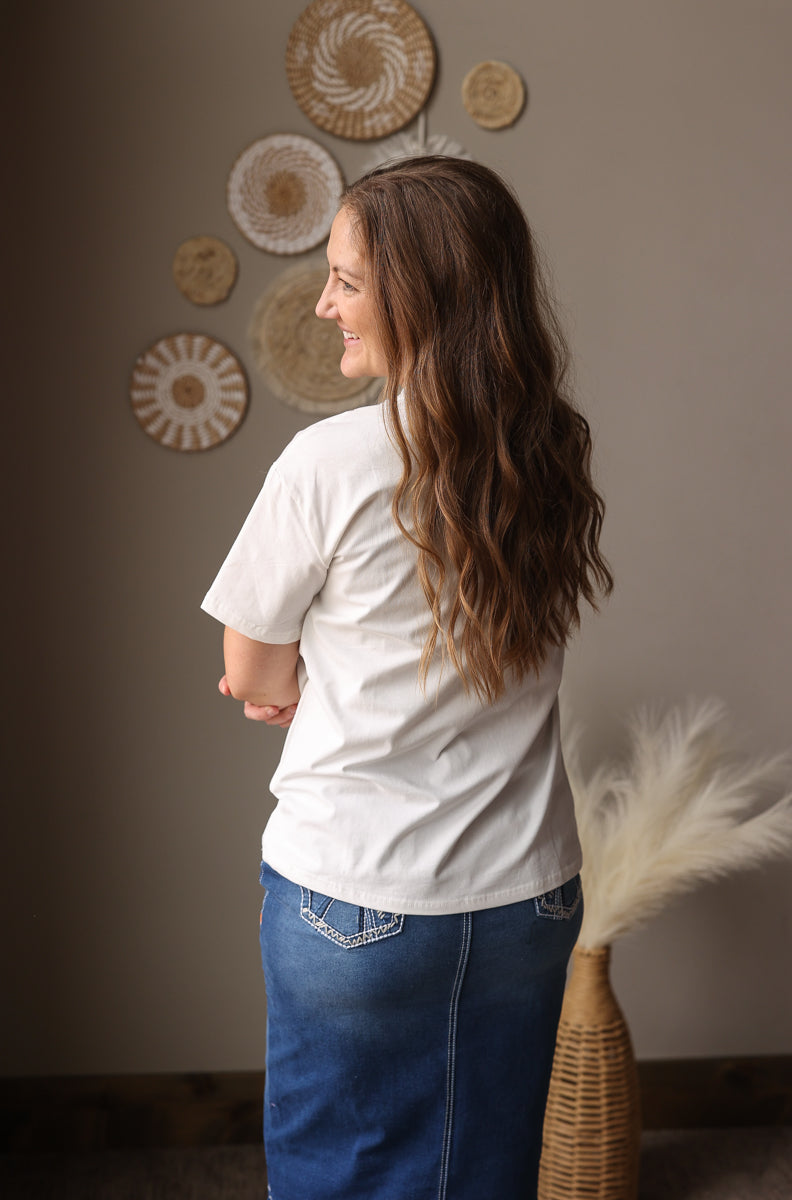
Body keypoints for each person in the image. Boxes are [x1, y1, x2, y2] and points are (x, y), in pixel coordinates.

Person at [202, 155, 612, 1200]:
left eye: (345, 280)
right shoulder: (553, 450)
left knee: (334, 1180)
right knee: (483, 1175)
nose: (326, 302)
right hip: (527, 896)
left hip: (354, 901)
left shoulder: (326, 465)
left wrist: (283, 686)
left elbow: (248, 662)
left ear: (421, 295)